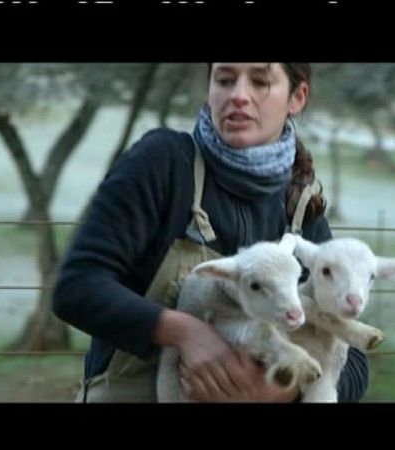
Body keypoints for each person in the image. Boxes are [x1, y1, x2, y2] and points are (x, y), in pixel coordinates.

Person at [53, 63, 369, 402]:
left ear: (297, 97)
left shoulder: (300, 209)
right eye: (225, 79)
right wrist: (187, 333)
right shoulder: (163, 162)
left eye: (260, 81)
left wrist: (279, 388)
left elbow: (352, 359)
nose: (238, 96)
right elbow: (77, 287)